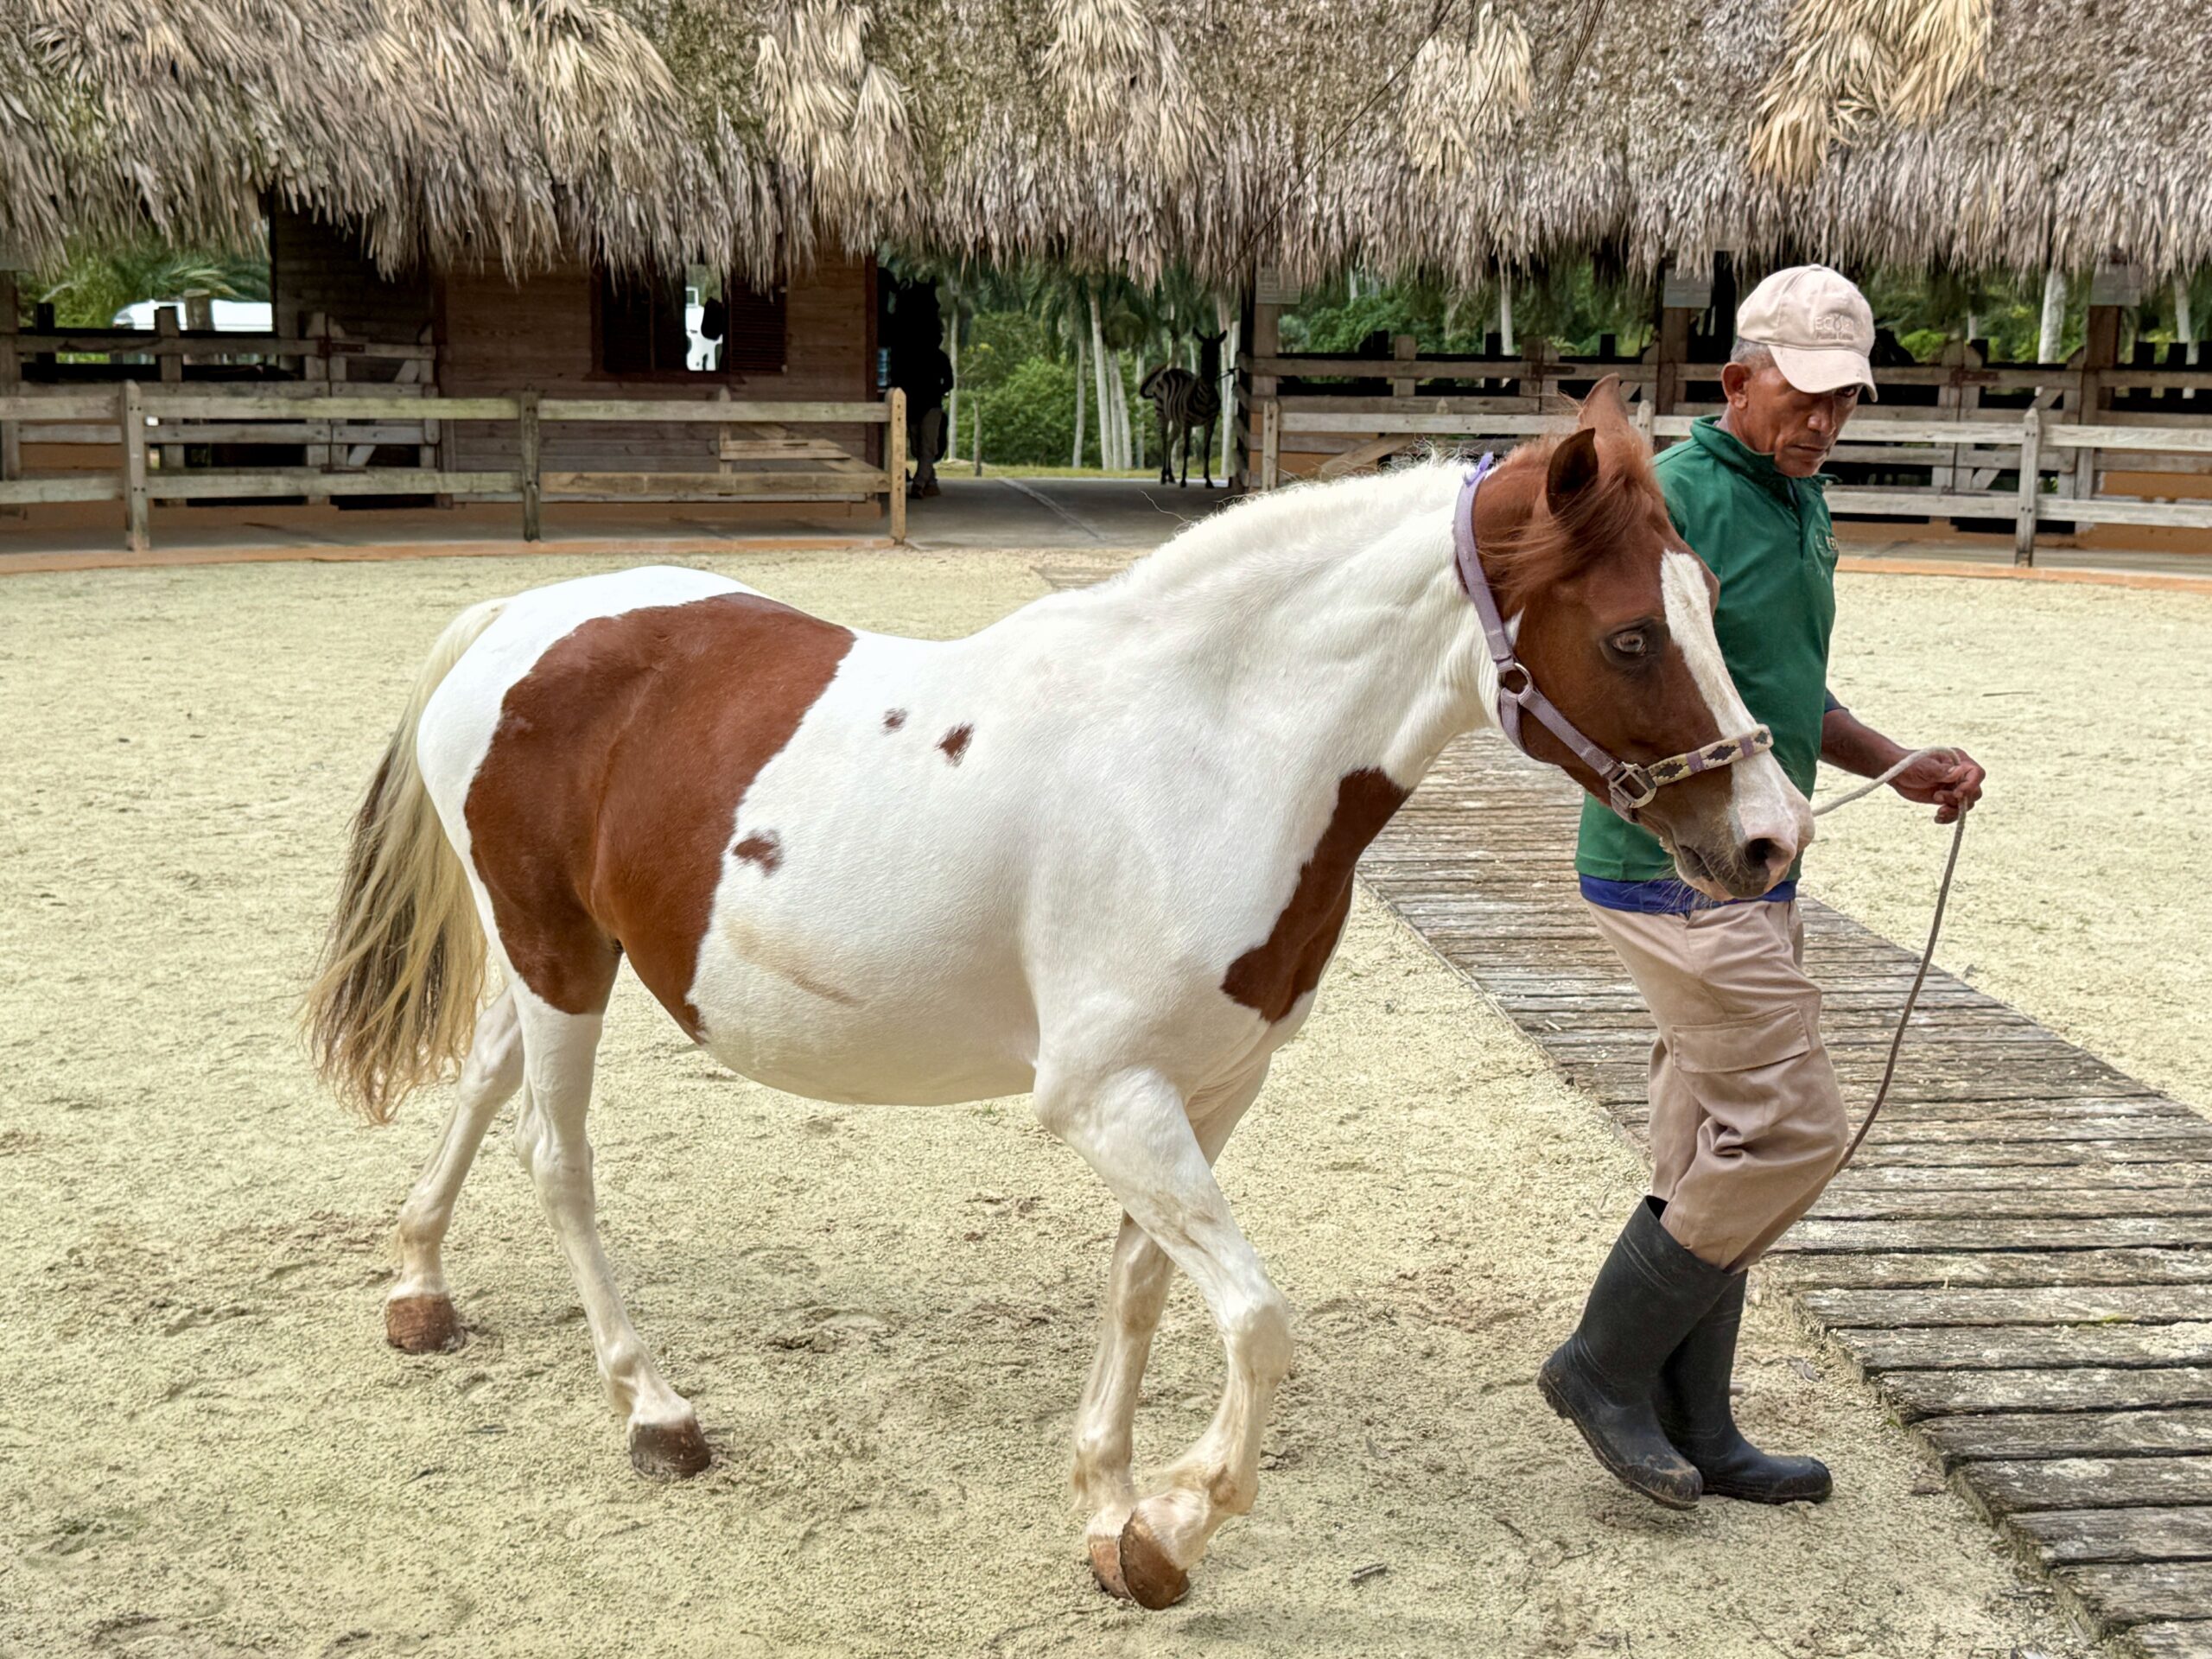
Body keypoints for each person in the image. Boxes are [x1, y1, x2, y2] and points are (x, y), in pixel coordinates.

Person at [1537, 265, 1986, 1510]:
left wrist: (1894, 763)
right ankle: (1601, 1368)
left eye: (1846, 402)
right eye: (1805, 398)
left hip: (1760, 858)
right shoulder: (1673, 501)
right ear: (1737, 380)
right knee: (1791, 1133)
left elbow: (1790, 690)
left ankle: (1702, 1426)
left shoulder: (1801, 498)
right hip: (1674, 875)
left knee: (1703, 1148)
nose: (1826, 423)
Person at [888, 287, 955, 499]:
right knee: (918, 447)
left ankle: (919, 484)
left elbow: (949, 382)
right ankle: (929, 480)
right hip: (917, 404)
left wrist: (937, 392)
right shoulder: (915, 357)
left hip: (929, 406)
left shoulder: (938, 358)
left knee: (927, 446)